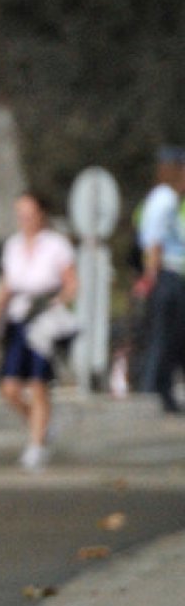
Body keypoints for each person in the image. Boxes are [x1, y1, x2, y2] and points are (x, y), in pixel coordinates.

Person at [0, 191, 78, 470]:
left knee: (38, 383)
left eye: (29, 214)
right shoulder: (13, 245)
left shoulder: (56, 245)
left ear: (40, 214)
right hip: (19, 318)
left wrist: (57, 301)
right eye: (20, 214)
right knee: (9, 387)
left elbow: (71, 283)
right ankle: (40, 424)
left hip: (43, 320)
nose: (24, 220)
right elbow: (6, 288)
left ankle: (36, 445)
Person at [131, 146, 185, 412]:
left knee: (172, 335)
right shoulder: (166, 199)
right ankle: (155, 387)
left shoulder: (162, 198)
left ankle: (163, 390)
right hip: (168, 276)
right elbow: (155, 242)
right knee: (168, 335)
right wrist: (151, 276)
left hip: (169, 275)